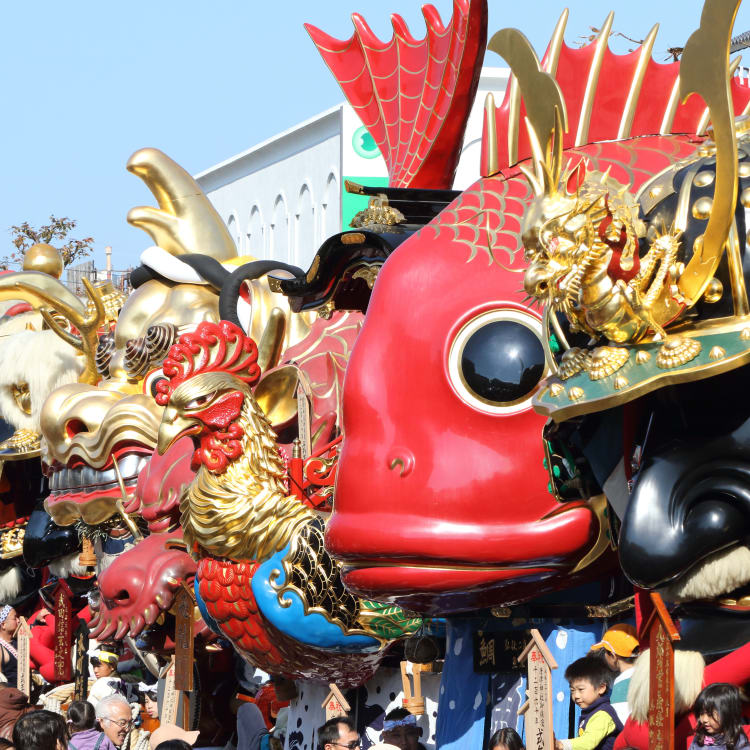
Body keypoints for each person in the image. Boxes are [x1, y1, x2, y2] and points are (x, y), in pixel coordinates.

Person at [555, 655, 623, 750]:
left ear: (601, 688)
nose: (576, 696)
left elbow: (588, 742)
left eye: (581, 689)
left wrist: (561, 744)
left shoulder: (603, 714)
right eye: (572, 690)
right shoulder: (592, 711)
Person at [590, 625, 639, 723]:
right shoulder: (646, 673)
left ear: (613, 656)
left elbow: (621, 721)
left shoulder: (622, 682)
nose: (604, 655)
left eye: (605, 651)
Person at [688, 684, 749, 750]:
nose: (704, 720)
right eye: (701, 713)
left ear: (727, 713)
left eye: (710, 714)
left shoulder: (739, 742)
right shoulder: (700, 738)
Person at [0, 608, 19, 687]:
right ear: (3, 625)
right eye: (15, 618)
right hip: (12, 696)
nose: (18, 620)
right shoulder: (1, 650)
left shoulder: (18, 641)